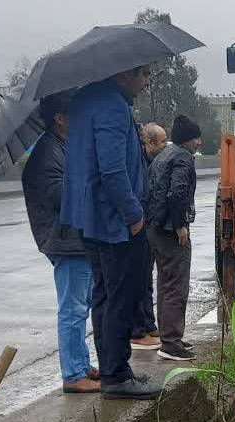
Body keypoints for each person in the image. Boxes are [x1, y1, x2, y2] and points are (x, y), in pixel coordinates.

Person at [61, 65, 161, 400]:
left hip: (92, 219)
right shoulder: (112, 105)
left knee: (104, 297)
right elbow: (113, 168)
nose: (147, 81)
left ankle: (112, 371)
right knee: (122, 297)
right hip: (114, 223)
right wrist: (133, 215)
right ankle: (117, 375)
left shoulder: (86, 99)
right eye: (143, 73)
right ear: (123, 73)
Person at [21, 91, 100, 394]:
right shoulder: (46, 154)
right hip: (65, 241)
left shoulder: (61, 147)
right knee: (72, 308)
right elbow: (58, 196)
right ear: (59, 119)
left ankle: (81, 364)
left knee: (81, 305)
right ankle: (72, 374)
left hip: (75, 240)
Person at [146, 115, 201, 361]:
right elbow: (177, 193)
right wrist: (180, 225)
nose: (199, 142)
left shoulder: (163, 155)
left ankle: (169, 337)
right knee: (176, 287)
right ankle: (171, 344)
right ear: (188, 140)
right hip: (170, 232)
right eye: (196, 138)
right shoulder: (182, 157)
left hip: (155, 229)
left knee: (164, 284)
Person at [129, 123, 167, 350]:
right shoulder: (138, 162)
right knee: (138, 280)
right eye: (162, 142)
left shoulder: (151, 161)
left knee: (146, 280)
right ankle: (137, 330)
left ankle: (148, 324)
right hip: (138, 227)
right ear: (149, 142)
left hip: (147, 227)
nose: (165, 146)